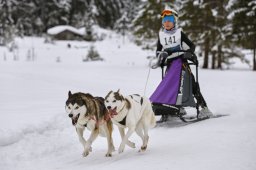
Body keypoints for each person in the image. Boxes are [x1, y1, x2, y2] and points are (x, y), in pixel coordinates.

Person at [155, 8, 213, 119]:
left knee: (192, 86)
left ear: (174, 22)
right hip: (170, 65)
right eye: (165, 21)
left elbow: (192, 46)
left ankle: (204, 108)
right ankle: (174, 109)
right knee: (169, 87)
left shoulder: (179, 33)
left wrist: (188, 53)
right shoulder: (161, 36)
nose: (167, 23)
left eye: (169, 20)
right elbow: (158, 51)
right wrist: (161, 57)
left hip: (182, 63)